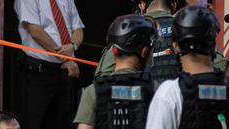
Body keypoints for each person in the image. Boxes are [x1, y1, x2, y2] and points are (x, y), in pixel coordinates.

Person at [13, 0, 84, 129]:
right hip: (39, 71)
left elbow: (78, 30)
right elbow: (35, 30)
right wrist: (65, 56)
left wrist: (73, 46)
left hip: (63, 72)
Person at [95, 0, 227, 82]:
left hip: (140, 112)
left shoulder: (128, 32)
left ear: (141, 4)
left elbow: (103, 78)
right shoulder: (189, 30)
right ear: (174, 4)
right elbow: (221, 68)